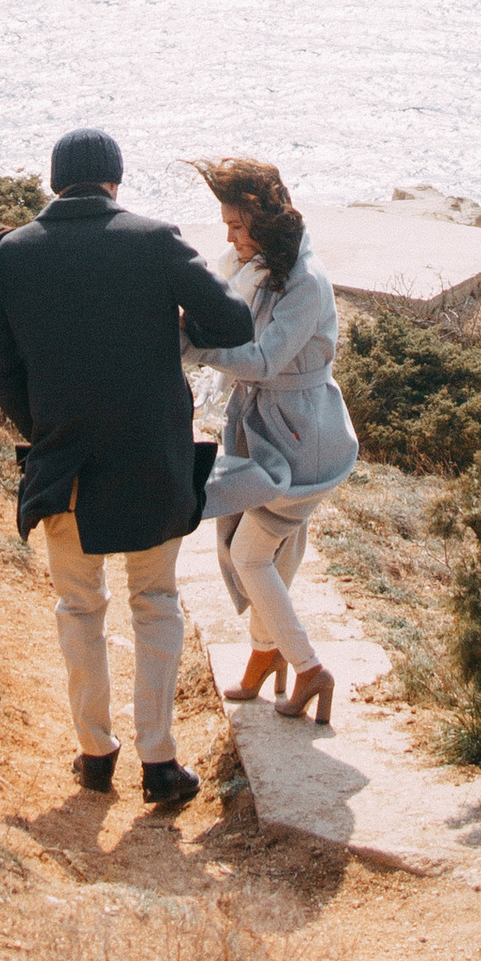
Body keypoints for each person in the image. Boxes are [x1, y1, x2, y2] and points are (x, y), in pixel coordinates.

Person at [0, 125, 256, 811]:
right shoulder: (154, 240)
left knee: (80, 606)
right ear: (114, 181)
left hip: (63, 463)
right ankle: (160, 761)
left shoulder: (12, 253)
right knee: (155, 603)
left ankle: (95, 754)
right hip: (153, 460)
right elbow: (232, 323)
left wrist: (41, 428)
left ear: (54, 182)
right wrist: (171, 332)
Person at [185, 155, 359, 729]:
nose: (228, 236)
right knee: (274, 550)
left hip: (305, 436)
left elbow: (262, 360)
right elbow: (211, 299)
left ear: (266, 220)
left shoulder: (305, 282)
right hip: (273, 426)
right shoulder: (257, 263)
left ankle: (308, 667)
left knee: (249, 553)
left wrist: (188, 348)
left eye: (237, 224)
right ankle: (266, 655)